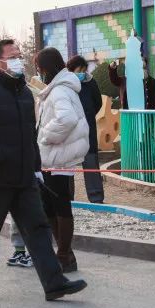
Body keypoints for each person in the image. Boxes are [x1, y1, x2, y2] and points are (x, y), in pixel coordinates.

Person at [0, 38, 88, 301]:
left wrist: (36, 166)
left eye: (20, 55)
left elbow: (31, 133)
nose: (19, 60)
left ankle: (54, 283)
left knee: (38, 229)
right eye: (13, 56)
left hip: (24, 178)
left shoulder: (24, 93)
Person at [35, 47, 90, 272]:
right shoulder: (60, 87)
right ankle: (65, 253)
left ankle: (65, 255)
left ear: (47, 68)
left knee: (60, 206)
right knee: (51, 206)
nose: (39, 73)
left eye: (39, 69)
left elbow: (66, 120)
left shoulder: (59, 91)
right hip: (55, 157)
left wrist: (45, 136)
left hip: (59, 157)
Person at [65, 56, 104, 204]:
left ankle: (96, 197)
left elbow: (97, 102)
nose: (82, 73)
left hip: (88, 130)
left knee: (91, 163)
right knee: (68, 166)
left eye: (83, 70)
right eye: (78, 70)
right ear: (71, 70)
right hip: (70, 133)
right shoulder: (66, 84)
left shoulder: (90, 82)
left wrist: (86, 116)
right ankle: (67, 198)